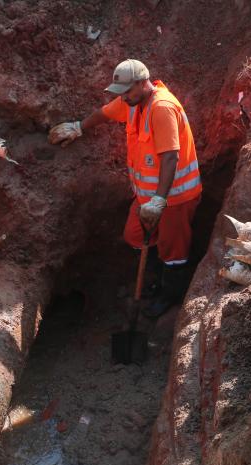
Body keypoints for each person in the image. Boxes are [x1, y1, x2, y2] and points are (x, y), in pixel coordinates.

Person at [49, 59, 202, 317]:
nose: (124, 98)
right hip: (146, 197)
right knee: (134, 235)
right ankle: (155, 278)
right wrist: (78, 127)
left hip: (176, 197)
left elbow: (171, 158)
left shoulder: (161, 108)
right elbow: (105, 113)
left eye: (127, 92)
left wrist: (158, 202)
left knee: (172, 250)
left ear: (143, 84)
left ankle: (169, 296)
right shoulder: (132, 102)